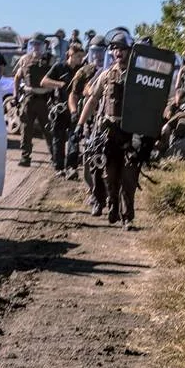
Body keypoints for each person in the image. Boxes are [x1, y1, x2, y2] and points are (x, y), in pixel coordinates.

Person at [75, 32, 140, 230]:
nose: (118, 53)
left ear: (129, 52)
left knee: (129, 178)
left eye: (122, 49)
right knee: (109, 174)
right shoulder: (105, 75)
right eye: (115, 49)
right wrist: (79, 125)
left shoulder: (138, 76)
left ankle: (127, 217)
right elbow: (93, 100)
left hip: (131, 132)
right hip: (109, 131)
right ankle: (111, 204)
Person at [41, 43, 85, 175]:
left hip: (74, 110)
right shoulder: (59, 67)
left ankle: (72, 167)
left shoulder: (81, 69)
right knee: (58, 139)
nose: (80, 59)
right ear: (70, 55)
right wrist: (59, 84)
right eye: (78, 56)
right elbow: (44, 82)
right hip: (60, 109)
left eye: (81, 57)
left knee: (74, 138)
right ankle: (59, 167)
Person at [66, 35, 105, 180]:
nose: (99, 56)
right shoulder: (83, 71)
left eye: (102, 52)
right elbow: (73, 95)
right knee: (79, 141)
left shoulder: (113, 71)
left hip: (107, 116)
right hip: (88, 115)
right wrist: (74, 111)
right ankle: (71, 167)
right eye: (95, 52)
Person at [14, 33, 54, 167]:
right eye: (34, 44)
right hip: (29, 98)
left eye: (39, 44)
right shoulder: (25, 59)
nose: (36, 47)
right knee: (26, 129)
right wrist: (15, 95)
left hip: (45, 100)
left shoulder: (51, 60)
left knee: (48, 129)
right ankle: (25, 157)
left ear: (44, 46)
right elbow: (17, 77)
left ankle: (55, 157)